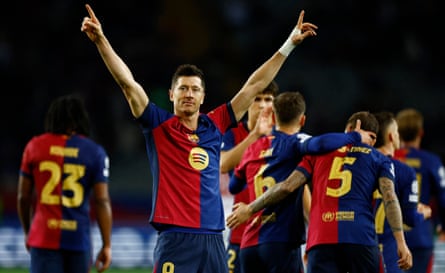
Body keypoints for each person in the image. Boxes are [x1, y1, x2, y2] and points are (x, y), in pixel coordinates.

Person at [81, 3, 318, 273]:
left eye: (195, 89)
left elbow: (254, 85)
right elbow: (128, 84)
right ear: (171, 94)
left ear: (203, 96)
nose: (189, 94)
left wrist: (289, 44)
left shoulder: (214, 124)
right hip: (175, 239)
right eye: (182, 89)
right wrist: (101, 41)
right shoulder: (158, 125)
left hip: (214, 239)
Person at [227, 111, 413, 273]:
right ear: (372, 138)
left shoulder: (317, 155)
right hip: (360, 239)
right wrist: (401, 242)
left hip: (321, 241)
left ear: (347, 129)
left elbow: (286, 186)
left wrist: (250, 209)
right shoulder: (379, 159)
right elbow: (390, 198)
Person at [17, 94, 112, 273]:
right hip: (78, 238)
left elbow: (23, 196)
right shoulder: (94, 152)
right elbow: (101, 201)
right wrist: (106, 244)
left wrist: (27, 231)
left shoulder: (34, 146)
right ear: (81, 120)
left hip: (43, 236)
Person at [220, 80, 278, 273]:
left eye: (268, 99)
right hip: (241, 233)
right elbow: (224, 164)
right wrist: (254, 135)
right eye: (257, 99)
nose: (262, 105)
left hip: (276, 233)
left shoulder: (284, 135)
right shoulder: (233, 133)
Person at [372, 111, 431, 273]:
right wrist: (424, 213)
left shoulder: (358, 166)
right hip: (389, 251)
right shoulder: (404, 171)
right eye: (396, 132)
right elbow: (410, 218)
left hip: (359, 247)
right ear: (391, 136)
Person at [393, 108, 445, 273]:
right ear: (421, 133)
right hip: (420, 235)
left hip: (390, 236)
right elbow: (443, 198)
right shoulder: (431, 161)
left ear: (397, 133)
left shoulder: (386, 158)